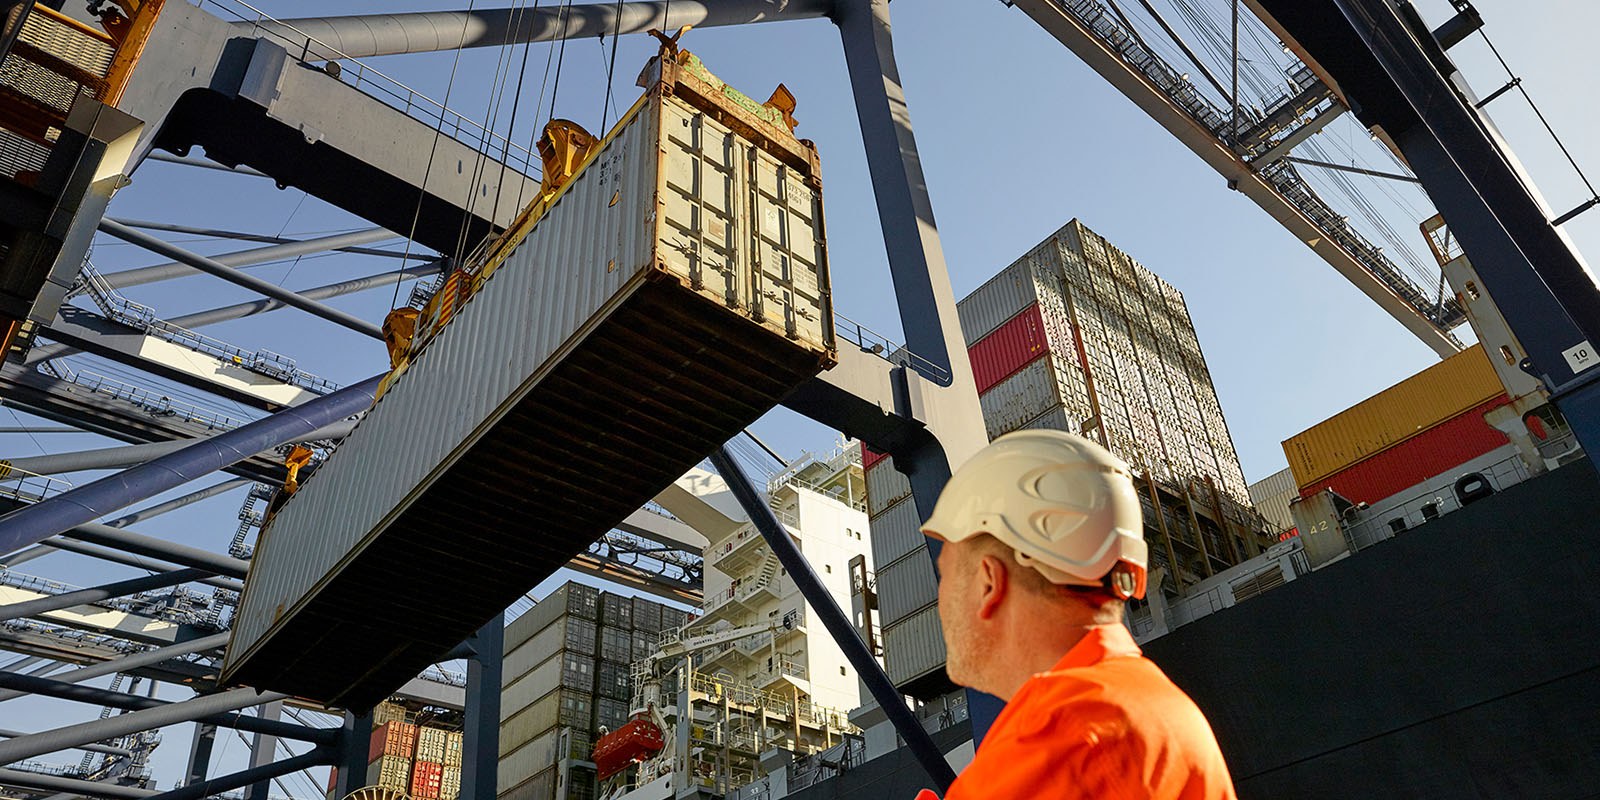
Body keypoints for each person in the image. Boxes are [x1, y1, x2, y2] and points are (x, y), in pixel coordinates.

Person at [919, 429, 1238, 800]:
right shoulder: (1165, 707)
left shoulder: (1062, 736)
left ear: (989, 581)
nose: (942, 598)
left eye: (949, 571)